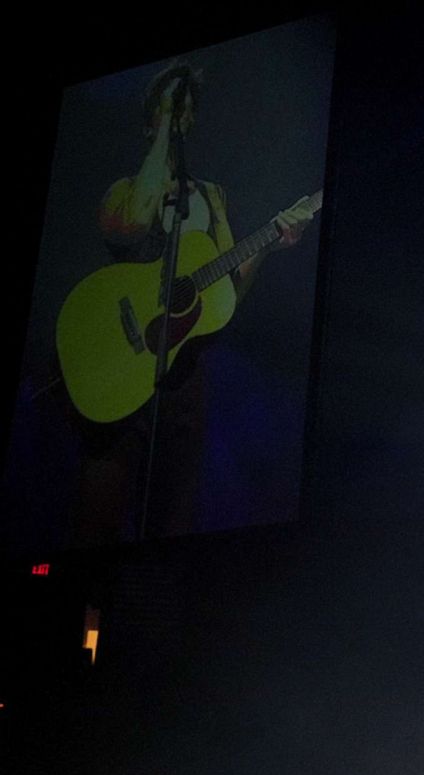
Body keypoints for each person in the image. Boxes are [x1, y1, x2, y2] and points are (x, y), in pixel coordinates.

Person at [72, 61, 314, 542]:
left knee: (171, 525)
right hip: (119, 376)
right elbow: (134, 223)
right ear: (151, 124)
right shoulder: (124, 191)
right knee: (96, 523)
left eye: (184, 112)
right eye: (168, 111)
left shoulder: (213, 198)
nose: (179, 119)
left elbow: (225, 301)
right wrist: (162, 123)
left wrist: (267, 243)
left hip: (183, 381)